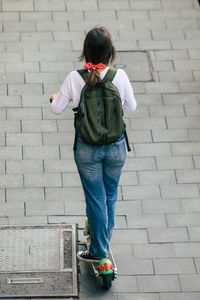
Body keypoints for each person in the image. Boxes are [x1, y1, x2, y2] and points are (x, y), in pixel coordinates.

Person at [51, 26, 137, 263]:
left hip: (87, 149)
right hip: (116, 147)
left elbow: (56, 109)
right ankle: (103, 244)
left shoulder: (74, 78)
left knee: (96, 198)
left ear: (85, 52)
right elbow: (131, 107)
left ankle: (98, 251)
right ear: (111, 51)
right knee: (110, 196)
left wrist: (56, 98)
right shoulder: (119, 76)